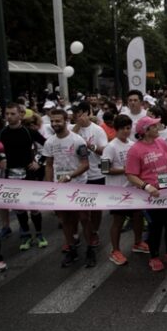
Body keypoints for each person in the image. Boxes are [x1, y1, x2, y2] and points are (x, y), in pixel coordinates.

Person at [125, 116, 167, 271]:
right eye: (154, 126)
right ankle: (154, 256)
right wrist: (146, 186)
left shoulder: (161, 143)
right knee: (155, 226)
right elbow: (130, 174)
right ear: (146, 130)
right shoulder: (135, 150)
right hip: (151, 195)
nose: (158, 128)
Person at [42, 108, 92, 267]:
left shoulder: (78, 140)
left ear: (65, 121)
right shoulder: (49, 142)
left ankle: (90, 249)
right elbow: (49, 166)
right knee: (65, 220)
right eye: (52, 121)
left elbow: (85, 164)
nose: (55, 123)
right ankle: (71, 249)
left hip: (78, 186)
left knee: (84, 218)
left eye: (58, 120)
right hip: (60, 188)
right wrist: (51, 188)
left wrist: (70, 176)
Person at [102, 114, 149, 266]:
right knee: (118, 220)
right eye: (122, 128)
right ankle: (115, 250)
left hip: (133, 189)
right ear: (116, 129)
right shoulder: (110, 147)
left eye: (128, 128)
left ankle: (138, 243)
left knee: (137, 216)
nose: (126, 131)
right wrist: (126, 170)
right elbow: (104, 170)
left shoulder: (132, 145)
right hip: (117, 191)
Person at [0, 103, 47, 250]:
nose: (9, 117)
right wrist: (1, 158)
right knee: (19, 208)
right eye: (7, 114)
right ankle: (25, 236)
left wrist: (39, 162)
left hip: (29, 173)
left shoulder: (28, 132)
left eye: (12, 114)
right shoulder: (2, 132)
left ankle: (39, 234)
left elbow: (47, 145)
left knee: (33, 207)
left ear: (20, 115)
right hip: (12, 174)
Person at [72, 101, 108, 248]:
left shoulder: (98, 130)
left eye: (79, 113)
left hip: (96, 173)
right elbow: (67, 142)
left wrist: (89, 145)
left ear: (87, 113)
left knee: (95, 208)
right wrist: (77, 126)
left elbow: (104, 151)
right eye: (74, 114)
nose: (76, 116)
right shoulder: (73, 129)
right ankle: (77, 233)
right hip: (79, 174)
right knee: (81, 209)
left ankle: (94, 231)